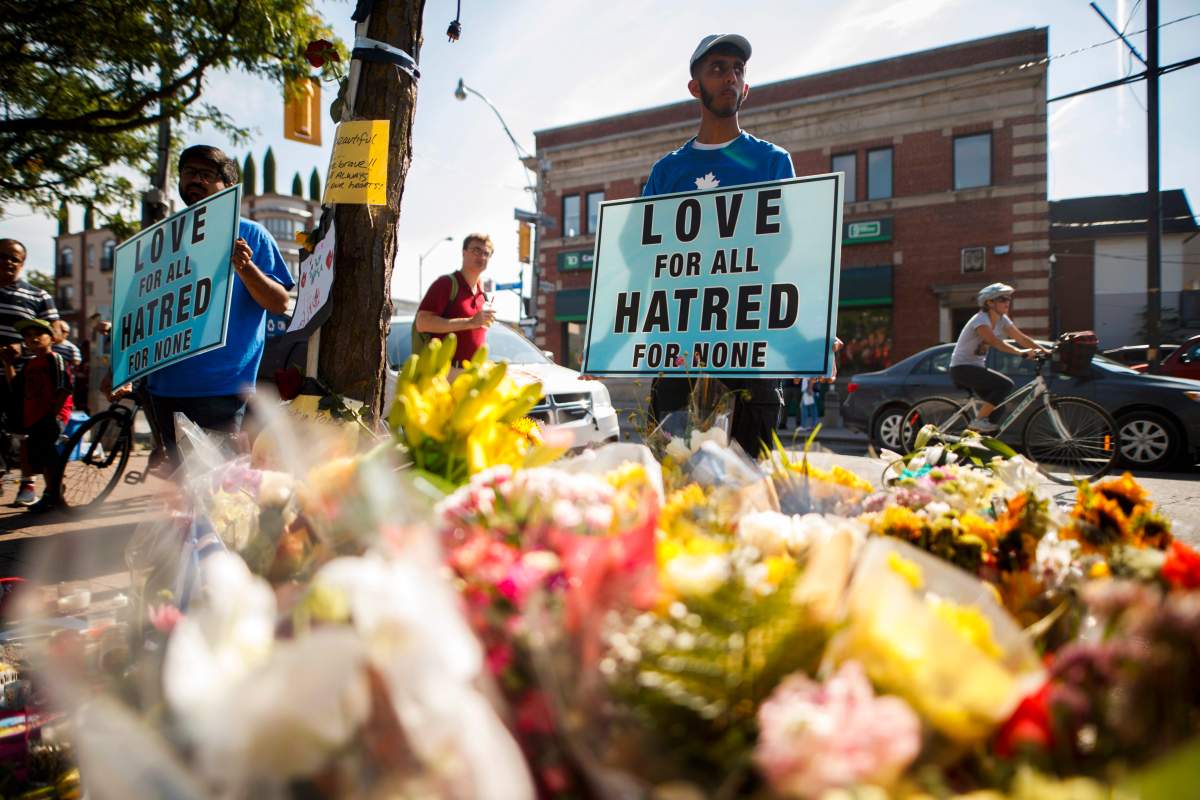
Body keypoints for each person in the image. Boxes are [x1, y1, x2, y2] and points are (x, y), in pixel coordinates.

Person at [641, 34, 798, 455]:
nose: (730, 76)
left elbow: (791, 253)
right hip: (679, 354)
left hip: (750, 352)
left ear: (745, 87)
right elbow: (644, 264)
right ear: (695, 88)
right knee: (675, 483)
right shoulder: (667, 172)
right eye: (717, 69)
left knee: (747, 488)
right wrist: (608, 343)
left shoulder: (772, 162)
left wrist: (812, 326)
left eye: (737, 70)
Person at [133, 145, 293, 467]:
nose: (195, 179)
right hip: (162, 387)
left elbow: (279, 302)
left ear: (228, 186)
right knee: (182, 491)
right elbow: (139, 309)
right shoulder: (161, 240)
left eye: (206, 174)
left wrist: (245, 268)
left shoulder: (252, 235)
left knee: (220, 491)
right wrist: (122, 367)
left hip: (221, 389)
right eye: (189, 173)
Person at [949, 282, 1048, 433]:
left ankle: (976, 443)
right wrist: (1021, 353)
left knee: (998, 408)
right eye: (1002, 299)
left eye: (1008, 299)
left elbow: (1021, 338)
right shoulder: (980, 320)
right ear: (989, 302)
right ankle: (977, 421)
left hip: (976, 368)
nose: (1007, 302)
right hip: (962, 368)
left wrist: (1046, 352)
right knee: (1005, 384)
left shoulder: (1002, 319)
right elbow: (995, 342)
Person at [1, 318, 73, 511]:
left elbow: (64, 387)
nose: (32, 339)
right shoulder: (30, 364)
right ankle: (52, 492)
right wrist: (8, 363)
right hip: (34, 417)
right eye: (28, 336)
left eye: (38, 335)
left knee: (49, 456)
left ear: (51, 338)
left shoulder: (54, 359)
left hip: (51, 416)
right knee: (41, 457)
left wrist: (54, 414)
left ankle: (54, 494)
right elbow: (15, 387)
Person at [414, 233, 497, 366]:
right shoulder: (446, 284)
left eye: (486, 253)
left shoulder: (483, 295)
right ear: (464, 253)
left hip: (472, 374)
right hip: (444, 374)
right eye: (476, 250)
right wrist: (470, 322)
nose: (481, 256)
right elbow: (422, 322)